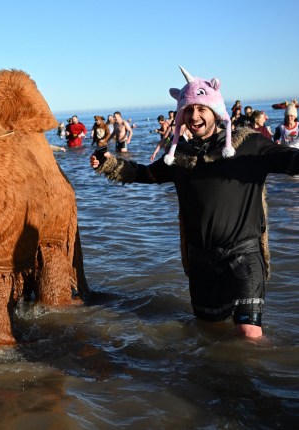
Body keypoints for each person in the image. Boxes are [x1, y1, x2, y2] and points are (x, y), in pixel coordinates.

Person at [89, 67, 299, 340]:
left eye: (201, 109)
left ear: (215, 111)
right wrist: (108, 163)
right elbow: (144, 174)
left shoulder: (249, 145)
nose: (194, 116)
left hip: (244, 255)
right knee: (208, 332)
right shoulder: (180, 157)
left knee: (248, 333)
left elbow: (291, 160)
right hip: (201, 258)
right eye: (188, 110)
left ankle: (261, 380)